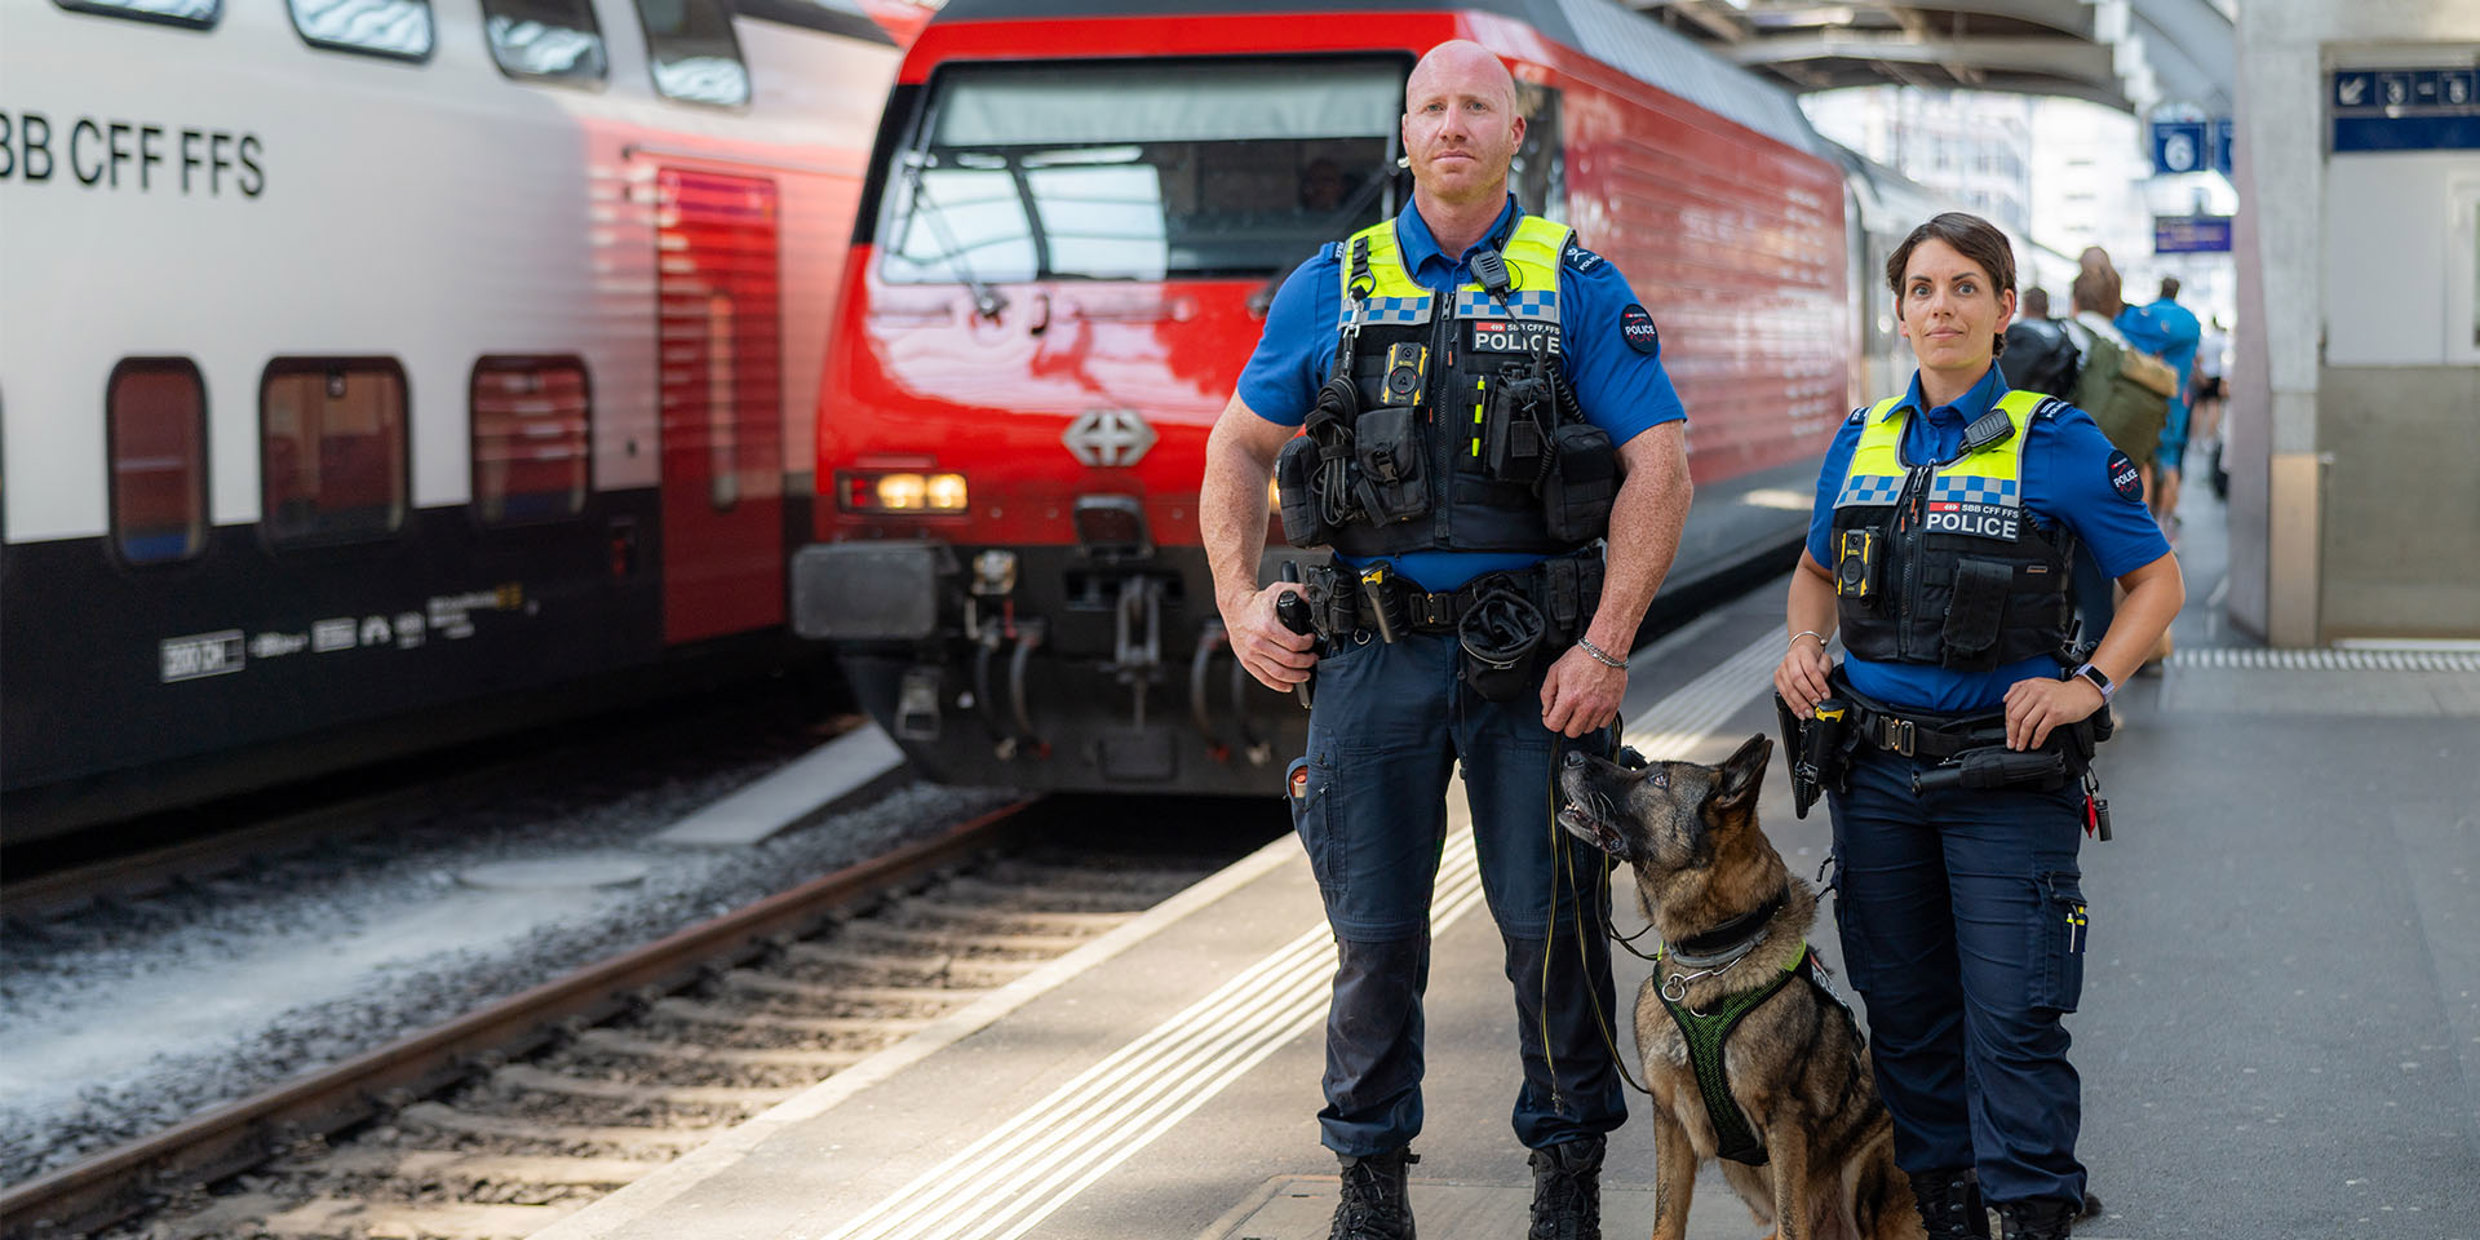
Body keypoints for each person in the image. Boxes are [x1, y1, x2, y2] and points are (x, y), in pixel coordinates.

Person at [1200, 39, 1693, 1240]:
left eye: (1478, 106)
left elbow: (1661, 467)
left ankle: (1564, 1182)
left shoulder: (1571, 283)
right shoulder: (1330, 283)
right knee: (1371, 940)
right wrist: (1237, 601)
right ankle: (1370, 1190)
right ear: (1404, 132)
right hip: (1368, 660)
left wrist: (1609, 643)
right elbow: (1235, 448)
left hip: (1538, 670)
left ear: (1515, 134)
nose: (1453, 125)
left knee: (1552, 931)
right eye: (1432, 106)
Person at [1772, 213, 2183, 1240]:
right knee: (1907, 1032)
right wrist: (1799, 645)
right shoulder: (1859, 439)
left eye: (1964, 286)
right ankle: (1948, 1219)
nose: (1940, 306)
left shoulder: (2057, 443)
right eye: (1921, 288)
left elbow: (2155, 580)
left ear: (2003, 308)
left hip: (2005, 785)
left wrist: (2088, 681)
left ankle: (2033, 1215)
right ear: (1898, 309)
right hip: (1874, 784)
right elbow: (1816, 571)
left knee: (2012, 1026)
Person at [2118, 276, 2201, 523]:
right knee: (2170, 461)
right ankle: (2167, 526)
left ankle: (2145, 524)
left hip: (2143, 398)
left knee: (2142, 462)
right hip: (2176, 401)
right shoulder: (2189, 321)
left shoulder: (2143, 316)